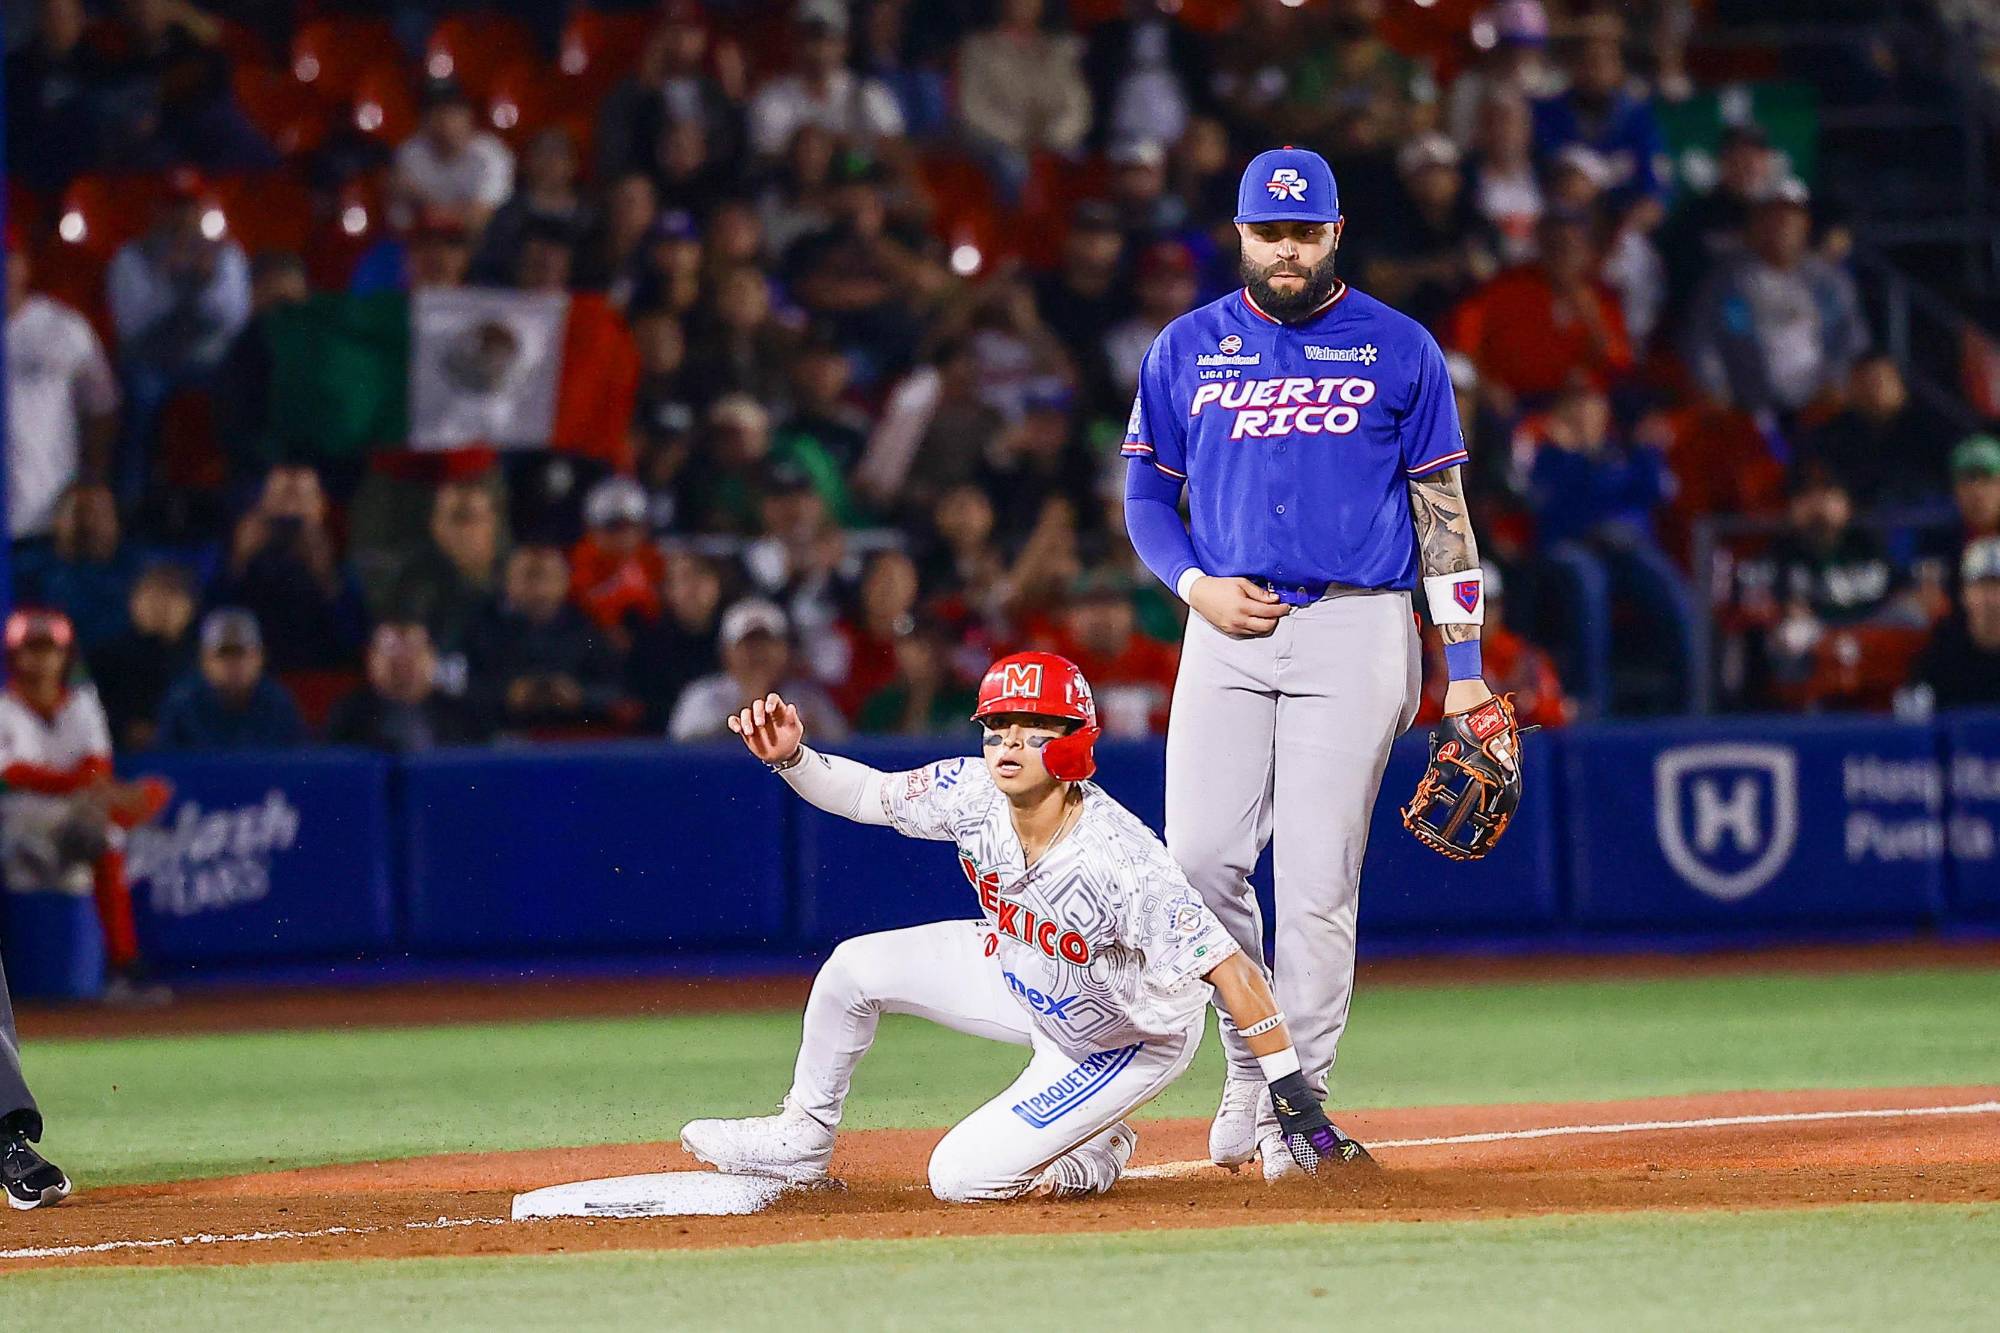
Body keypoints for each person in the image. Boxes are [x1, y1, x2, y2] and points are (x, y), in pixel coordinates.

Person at [1121, 147, 1519, 1179]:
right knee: (1198, 860)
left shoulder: (1400, 347)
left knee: (1314, 877)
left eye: (1304, 232)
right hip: (1226, 621)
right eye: (1269, 232)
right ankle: (1252, 1063)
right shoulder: (1185, 346)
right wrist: (1192, 585)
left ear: (1335, 232)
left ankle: (1296, 1108)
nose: (1286, 250)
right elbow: (1144, 498)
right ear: (1240, 235)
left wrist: (1464, 664)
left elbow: (1443, 515)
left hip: (1358, 622)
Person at [680, 652, 1374, 1198]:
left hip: (1123, 1036)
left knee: (959, 1178)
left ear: (1074, 743)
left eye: (1032, 725)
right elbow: (868, 793)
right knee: (851, 968)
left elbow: (1235, 971)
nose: (1007, 740)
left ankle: (1096, 1150)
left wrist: (1293, 1097)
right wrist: (792, 759)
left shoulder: (1121, 860)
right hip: (1024, 970)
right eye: (997, 724)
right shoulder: (970, 791)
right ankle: (802, 1138)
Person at [0, 609, 173, 1004]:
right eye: (31, 649)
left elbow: (97, 766)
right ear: (14, 655)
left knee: (108, 836)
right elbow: (13, 775)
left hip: (74, 814)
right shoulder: (4, 707)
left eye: (50, 649)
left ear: (65, 656)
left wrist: (99, 789)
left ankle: (123, 967)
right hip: (16, 819)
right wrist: (99, 790)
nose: (41, 659)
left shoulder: (82, 704)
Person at [1683, 177, 1868, 421]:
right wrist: (1715, 385)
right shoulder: (1729, 282)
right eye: (1771, 217)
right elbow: (1704, 339)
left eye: (1790, 218)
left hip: (1818, 406)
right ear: (1754, 224)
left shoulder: (1828, 281)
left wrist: (1837, 380)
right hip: (1746, 409)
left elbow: (1851, 339)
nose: (1781, 226)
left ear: (1805, 225)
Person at [6, 232, 118, 542]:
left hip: (47, 520)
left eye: (8, 257)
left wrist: (92, 482)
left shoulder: (63, 327)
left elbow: (101, 409)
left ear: (23, 265)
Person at [212, 464, 367, 671]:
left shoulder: (340, 559)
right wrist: (238, 562)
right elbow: (211, 627)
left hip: (318, 671)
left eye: (301, 498)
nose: (290, 510)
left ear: (320, 506)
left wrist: (326, 576)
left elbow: (355, 641)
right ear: (262, 504)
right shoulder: (237, 555)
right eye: (281, 497)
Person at [462, 543, 625, 734]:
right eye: (529, 577)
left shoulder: (586, 628)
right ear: (506, 581)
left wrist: (580, 695)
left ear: (566, 581)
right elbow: (460, 686)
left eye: (549, 577)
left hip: (577, 737)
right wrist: (506, 694)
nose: (540, 590)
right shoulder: (482, 626)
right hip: (496, 738)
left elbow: (617, 688)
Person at [668, 598, 846, 743]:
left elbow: (842, 750)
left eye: (767, 644)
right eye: (748, 645)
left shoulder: (808, 698)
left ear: (785, 651)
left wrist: (810, 732)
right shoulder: (702, 696)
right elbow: (680, 754)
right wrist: (741, 717)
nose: (758, 654)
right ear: (726, 653)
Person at [154, 609, 306, 750]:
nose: (233, 664)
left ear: (260, 657)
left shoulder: (277, 702)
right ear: (204, 660)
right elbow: (165, 759)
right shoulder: (182, 703)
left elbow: (297, 757)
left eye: (241, 654)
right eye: (224, 654)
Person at [87, 563, 198, 751]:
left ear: (190, 605)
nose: (159, 605)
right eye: (150, 594)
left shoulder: (204, 657)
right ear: (133, 601)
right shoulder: (105, 657)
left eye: (169, 594)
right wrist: (124, 728)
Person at [325, 621, 478, 752]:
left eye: (413, 649)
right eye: (390, 649)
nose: (402, 659)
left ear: (432, 656)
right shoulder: (349, 713)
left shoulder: (458, 714)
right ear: (371, 657)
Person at [391, 78, 515, 234]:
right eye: (435, 112)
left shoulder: (492, 155)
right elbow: (403, 224)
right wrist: (456, 212)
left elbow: (480, 221)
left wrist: (425, 202)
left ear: (468, 115)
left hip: (481, 242)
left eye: (452, 112)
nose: (444, 121)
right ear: (423, 120)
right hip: (426, 240)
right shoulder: (410, 152)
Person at [1911, 538, 2000, 712]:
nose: (1988, 598)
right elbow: (1917, 713)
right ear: (1964, 594)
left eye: (1996, 586)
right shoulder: (1943, 649)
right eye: (1980, 586)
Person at [569, 477, 666, 634]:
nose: (621, 536)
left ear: (643, 529)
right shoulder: (581, 560)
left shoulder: (653, 558)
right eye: (612, 528)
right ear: (592, 530)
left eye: (628, 526)